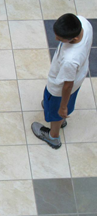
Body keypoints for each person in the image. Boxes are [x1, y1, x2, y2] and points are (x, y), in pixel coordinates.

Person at [31, 13, 93, 149]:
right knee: (63, 104)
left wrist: (63, 106)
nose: (56, 38)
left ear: (75, 38)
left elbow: (67, 86)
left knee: (56, 109)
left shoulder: (70, 59)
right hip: (79, 77)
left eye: (60, 38)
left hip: (59, 89)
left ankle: (53, 137)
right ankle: (61, 119)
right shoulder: (84, 23)